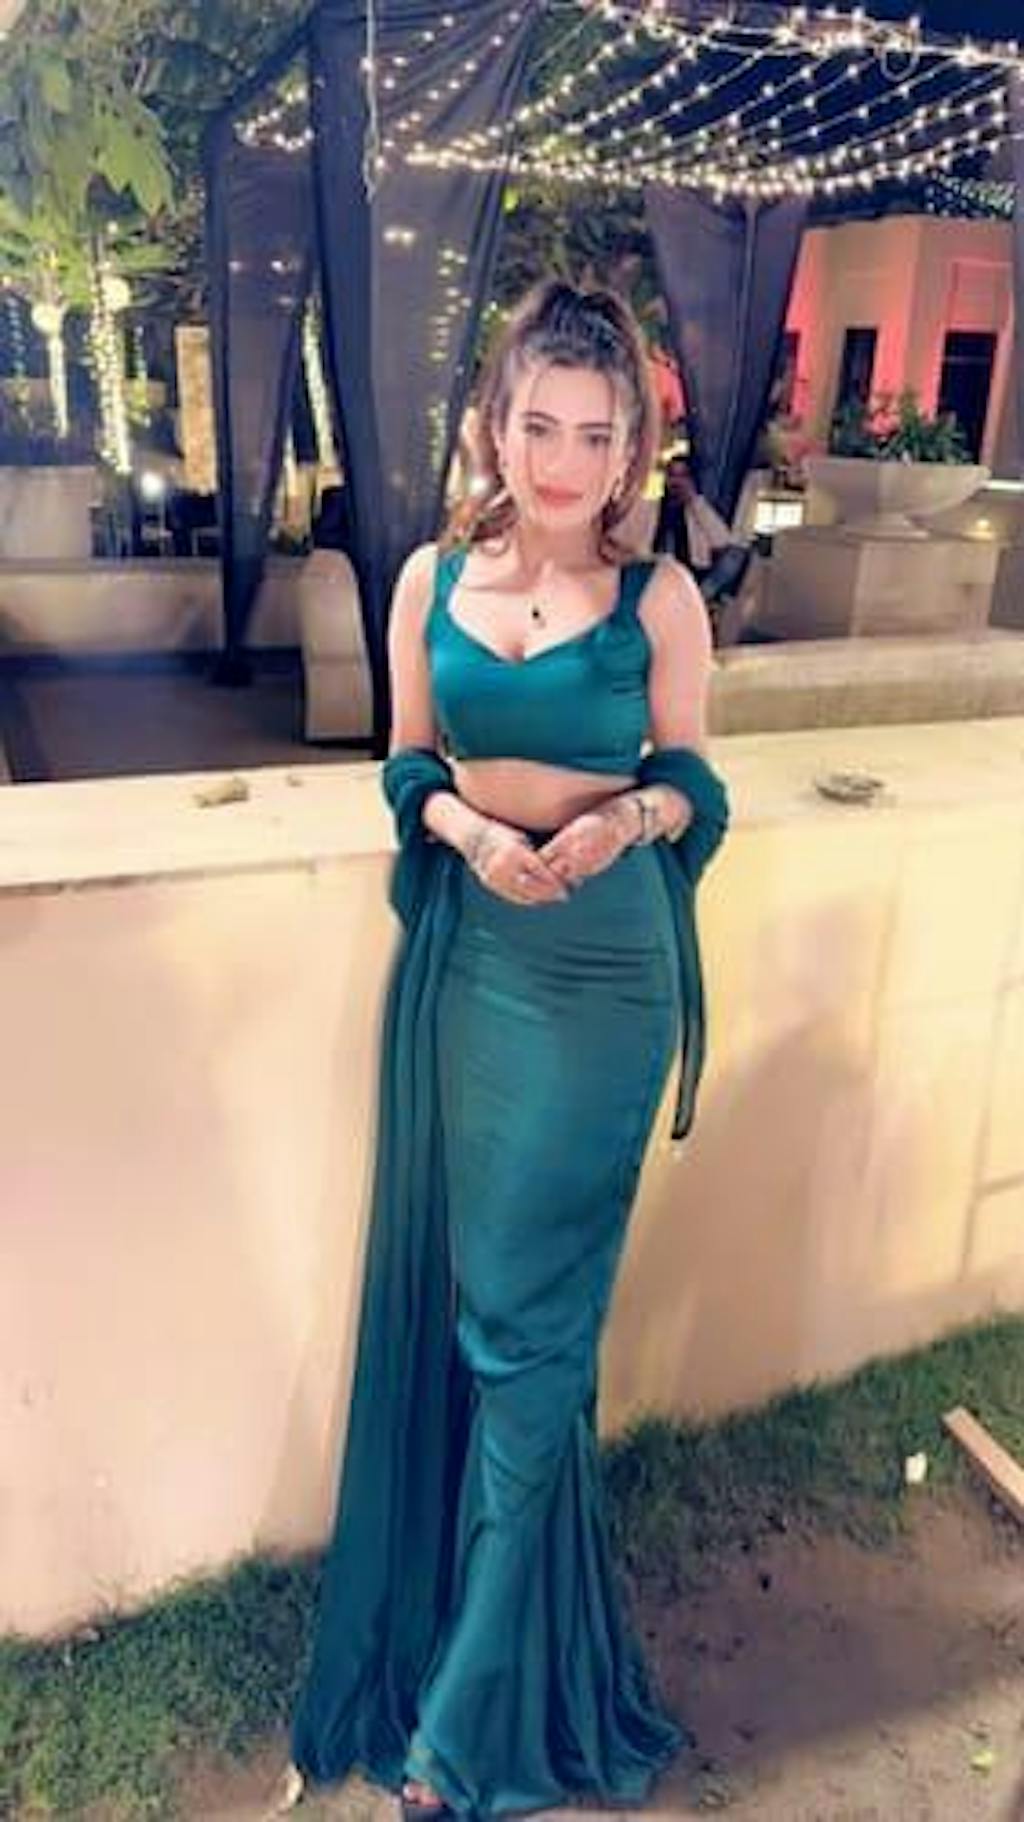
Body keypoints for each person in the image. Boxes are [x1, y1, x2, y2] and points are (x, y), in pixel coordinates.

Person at [278, 281, 730, 1820]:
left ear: (631, 450)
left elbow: (699, 785)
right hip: (477, 969)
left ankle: (461, 1735)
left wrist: (628, 818)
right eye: (539, 425)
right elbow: (408, 763)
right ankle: (515, 1652)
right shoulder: (426, 580)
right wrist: (471, 832)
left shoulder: (659, 599)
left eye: (595, 437)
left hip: (606, 980)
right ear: (495, 421)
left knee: (534, 1338)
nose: (562, 463)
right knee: (485, 1320)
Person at [652, 452, 735, 584]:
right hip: (659, 571)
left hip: (693, 574)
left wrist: (694, 499)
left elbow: (722, 540)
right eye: (672, 475)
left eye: (683, 475)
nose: (676, 481)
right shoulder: (654, 508)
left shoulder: (698, 508)